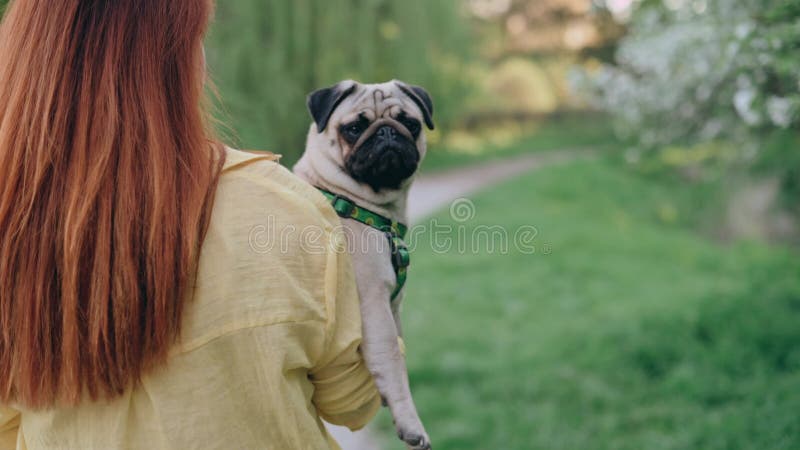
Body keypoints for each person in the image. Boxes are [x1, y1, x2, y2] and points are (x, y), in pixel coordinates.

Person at [0, 1, 380, 449]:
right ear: (175, 62)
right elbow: (353, 402)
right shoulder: (281, 208)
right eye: (199, 41)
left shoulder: (11, 224)